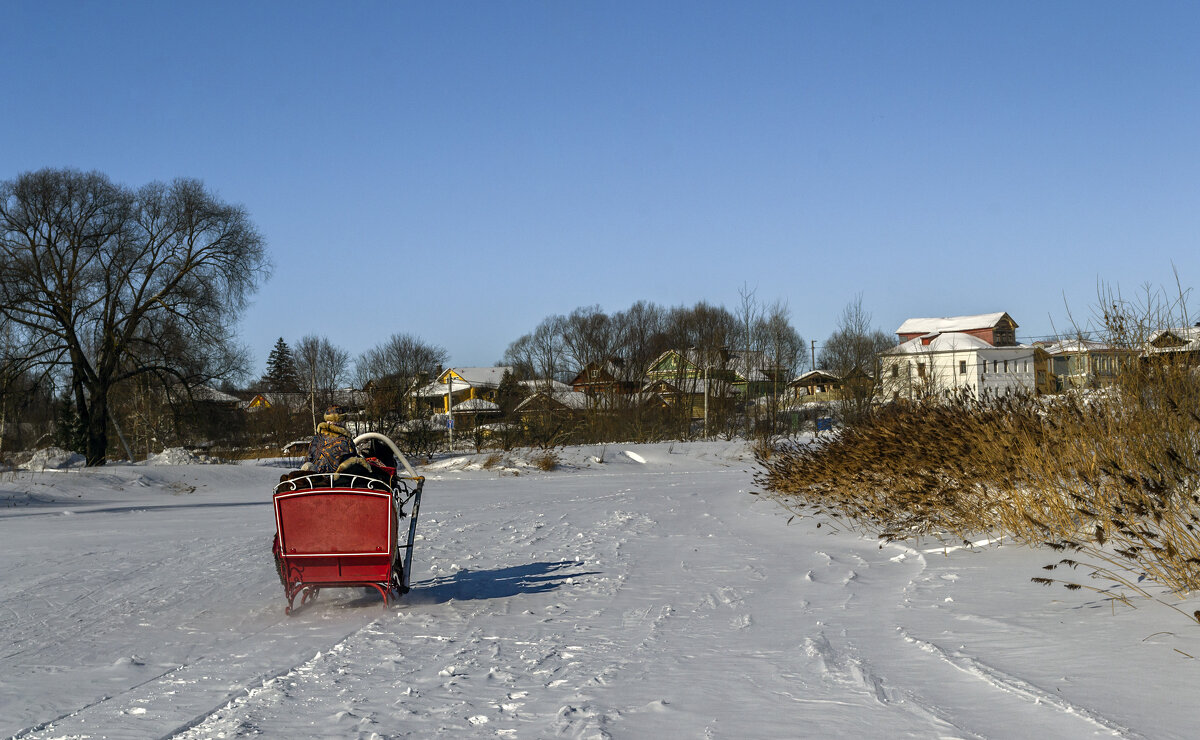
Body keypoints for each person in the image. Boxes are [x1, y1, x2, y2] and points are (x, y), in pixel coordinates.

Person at [306, 406, 368, 477]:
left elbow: (308, 460)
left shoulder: (315, 439)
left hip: (314, 481)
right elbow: (353, 465)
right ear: (341, 422)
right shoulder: (345, 441)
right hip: (337, 482)